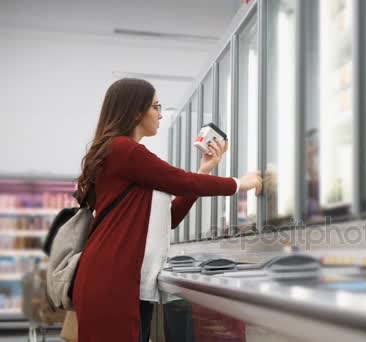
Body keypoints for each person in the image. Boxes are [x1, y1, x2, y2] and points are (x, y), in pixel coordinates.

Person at [71, 78, 262, 342]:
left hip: (120, 278)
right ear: (136, 111)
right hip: (112, 280)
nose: (161, 115)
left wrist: (204, 171)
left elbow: (168, 218)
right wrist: (242, 184)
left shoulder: (122, 154)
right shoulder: (125, 150)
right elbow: (181, 180)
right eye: (156, 107)